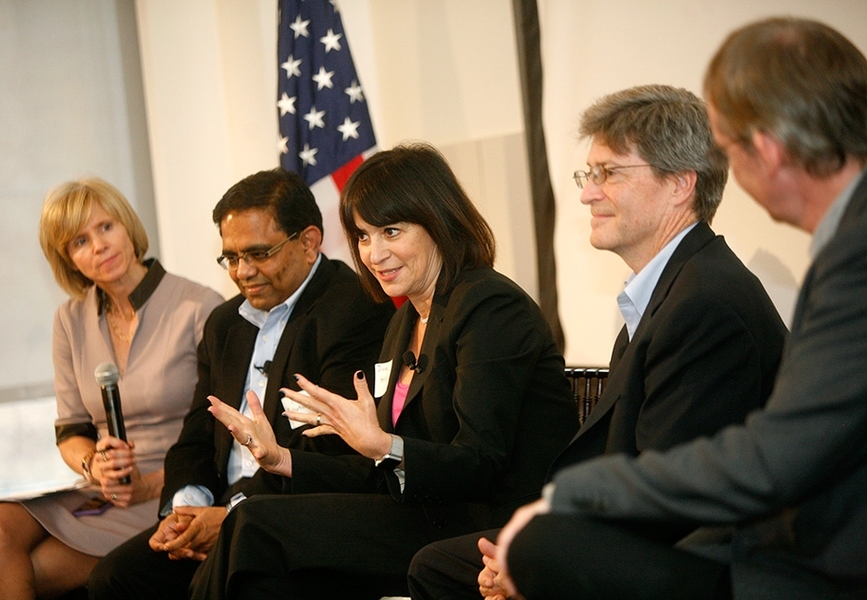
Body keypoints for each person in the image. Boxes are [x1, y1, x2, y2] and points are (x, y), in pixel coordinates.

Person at [492, 17, 867, 600]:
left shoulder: (841, 258)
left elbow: (773, 460)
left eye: (608, 173)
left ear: (763, 149)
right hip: (796, 537)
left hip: (824, 563)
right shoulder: (844, 244)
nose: (589, 192)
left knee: (544, 548)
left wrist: (569, 501)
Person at [407, 85, 789, 600]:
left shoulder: (705, 304)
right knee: (444, 564)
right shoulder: (674, 289)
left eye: (608, 173)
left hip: (711, 562)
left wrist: (543, 557)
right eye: (589, 175)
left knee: (444, 567)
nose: (588, 193)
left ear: (679, 184)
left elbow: (671, 497)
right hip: (650, 531)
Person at [184, 141, 576, 599]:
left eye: (391, 231)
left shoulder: (489, 306)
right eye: (364, 236)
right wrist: (281, 460)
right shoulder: (404, 321)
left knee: (255, 525)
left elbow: (482, 461)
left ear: (438, 220)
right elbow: (381, 469)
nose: (373, 254)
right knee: (260, 541)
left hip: (486, 522)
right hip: (423, 512)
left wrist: (385, 444)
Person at [86, 168, 395, 599]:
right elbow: (196, 436)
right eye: (230, 257)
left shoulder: (352, 308)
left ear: (308, 243)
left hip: (289, 516)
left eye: (258, 253)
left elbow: (329, 451)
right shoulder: (224, 323)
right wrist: (185, 511)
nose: (242, 271)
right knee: (115, 578)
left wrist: (230, 514)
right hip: (220, 508)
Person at [0, 178, 223, 599]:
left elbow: (224, 433)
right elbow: (70, 431)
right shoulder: (69, 320)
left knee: (9, 573)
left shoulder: (200, 306)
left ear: (127, 226)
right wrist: (92, 464)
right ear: (68, 260)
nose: (99, 246)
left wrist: (153, 483)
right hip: (104, 492)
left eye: (106, 228)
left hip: (174, 489)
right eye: (80, 241)